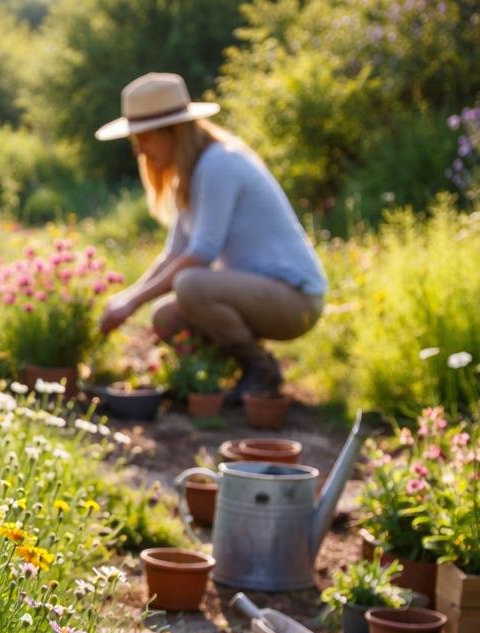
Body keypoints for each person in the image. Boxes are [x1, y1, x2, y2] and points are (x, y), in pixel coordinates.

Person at [93, 72, 327, 400]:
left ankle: (260, 370)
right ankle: (221, 377)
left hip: (295, 300)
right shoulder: (189, 174)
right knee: (165, 315)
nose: (139, 151)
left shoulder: (218, 164)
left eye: (143, 139)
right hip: (259, 293)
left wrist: (131, 303)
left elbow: (201, 253)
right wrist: (124, 299)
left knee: (190, 284)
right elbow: (173, 253)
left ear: (172, 131)